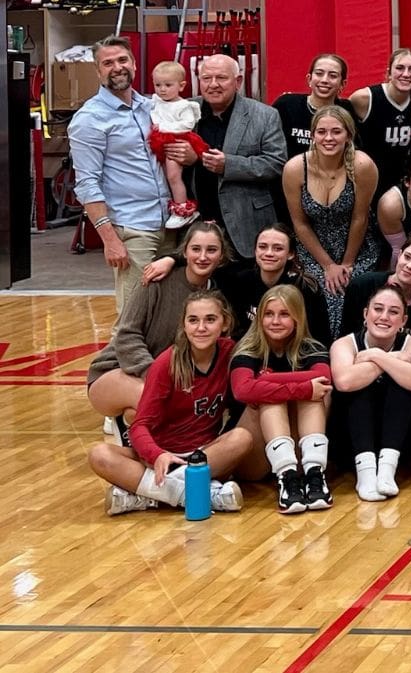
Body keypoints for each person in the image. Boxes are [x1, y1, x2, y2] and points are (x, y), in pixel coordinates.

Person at [90, 290, 249, 516]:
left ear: (225, 324)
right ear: (184, 325)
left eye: (210, 320)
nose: (201, 327)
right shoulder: (167, 362)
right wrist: (157, 455)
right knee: (99, 454)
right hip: (160, 457)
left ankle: (150, 495)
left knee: (242, 438)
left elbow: (260, 379)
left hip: (202, 456)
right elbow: (140, 425)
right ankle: (201, 495)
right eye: (193, 320)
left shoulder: (231, 353)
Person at [86, 222, 230, 440]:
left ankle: (132, 429)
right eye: (196, 249)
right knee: (155, 398)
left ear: (221, 256)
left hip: (173, 382)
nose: (203, 257)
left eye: (211, 250)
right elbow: (126, 336)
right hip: (117, 371)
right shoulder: (155, 280)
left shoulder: (219, 295)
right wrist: (158, 376)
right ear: (184, 252)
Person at [69, 37, 175, 309]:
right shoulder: (89, 118)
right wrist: (110, 240)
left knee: (169, 313)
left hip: (169, 225)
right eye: (107, 63)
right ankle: (118, 355)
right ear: (97, 71)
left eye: (122, 60)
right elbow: (87, 184)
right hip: (132, 229)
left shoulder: (151, 108)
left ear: (134, 65)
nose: (117, 67)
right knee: (134, 316)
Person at [162, 54, 288, 259]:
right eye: (206, 78)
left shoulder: (264, 115)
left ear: (237, 81)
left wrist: (229, 165)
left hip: (246, 225)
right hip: (195, 227)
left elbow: (276, 163)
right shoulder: (182, 110)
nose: (213, 85)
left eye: (221, 78)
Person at [229, 285, 333, 513]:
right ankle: (286, 477)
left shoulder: (311, 348)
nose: (275, 321)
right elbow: (242, 390)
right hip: (254, 458)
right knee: (274, 397)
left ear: (298, 318)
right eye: (268, 314)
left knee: (315, 392)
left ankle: (315, 474)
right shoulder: (247, 349)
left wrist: (269, 379)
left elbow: (324, 377)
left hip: (298, 452)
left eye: (284, 314)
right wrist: (300, 387)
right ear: (259, 318)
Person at [141, 222, 332, 345]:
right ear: (255, 251)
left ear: (290, 254)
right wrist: (171, 259)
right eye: (263, 247)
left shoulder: (306, 288)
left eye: (278, 248)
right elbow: (204, 259)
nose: (269, 253)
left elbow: (321, 338)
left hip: (294, 358)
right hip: (249, 359)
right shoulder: (240, 279)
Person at [283, 106, 381, 333]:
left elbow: (360, 217)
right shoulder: (295, 168)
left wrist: (346, 263)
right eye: (321, 132)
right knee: (324, 295)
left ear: (348, 135)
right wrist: (328, 265)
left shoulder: (362, 165)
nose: (328, 138)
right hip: (314, 249)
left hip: (356, 248)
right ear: (313, 135)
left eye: (336, 132)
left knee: (352, 292)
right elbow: (300, 223)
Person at [331, 285, 411, 500]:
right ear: (366, 314)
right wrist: (393, 360)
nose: (384, 317)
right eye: (378, 309)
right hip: (351, 442)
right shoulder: (344, 344)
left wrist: (376, 356)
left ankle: (387, 470)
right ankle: (365, 474)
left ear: (403, 321)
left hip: (401, 442)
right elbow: (345, 382)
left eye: (393, 312)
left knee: (403, 384)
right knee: (360, 385)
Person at [350, 48, 411, 195]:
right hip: (367, 183)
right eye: (399, 68)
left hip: (403, 185)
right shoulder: (364, 99)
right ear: (389, 72)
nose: (406, 74)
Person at [340, 235, 411, 338]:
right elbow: (346, 335)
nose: (409, 266)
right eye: (407, 257)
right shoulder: (362, 285)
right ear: (399, 256)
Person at [144, 60, 205, 229]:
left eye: (168, 85)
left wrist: (162, 127)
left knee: (173, 176)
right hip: (160, 143)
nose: (162, 89)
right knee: (163, 177)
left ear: (182, 85)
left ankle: (183, 209)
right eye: (158, 85)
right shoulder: (156, 101)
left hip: (177, 142)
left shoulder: (184, 105)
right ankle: (171, 205)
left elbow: (187, 124)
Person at [273, 52, 353, 159]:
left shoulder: (347, 110)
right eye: (319, 73)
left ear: (343, 84)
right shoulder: (286, 104)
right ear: (309, 79)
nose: (324, 80)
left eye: (333, 76)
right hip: (290, 173)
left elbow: (353, 151)